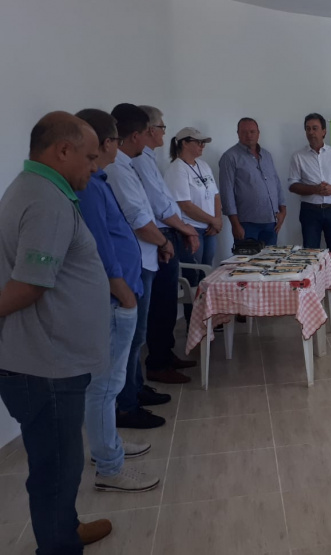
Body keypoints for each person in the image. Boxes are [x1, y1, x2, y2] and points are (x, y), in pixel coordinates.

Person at [0, 112, 111, 553]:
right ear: (61, 151)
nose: (94, 166)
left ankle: (66, 527)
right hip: (44, 367)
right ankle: (59, 545)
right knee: (56, 470)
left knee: (60, 466)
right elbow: (27, 285)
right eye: (88, 157)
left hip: (48, 362)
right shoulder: (46, 200)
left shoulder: (39, 189)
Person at [74, 109, 160, 494]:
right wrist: (123, 292)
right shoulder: (90, 186)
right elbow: (100, 246)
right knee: (106, 384)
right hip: (114, 296)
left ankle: (109, 446)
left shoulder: (100, 180)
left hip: (120, 293)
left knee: (110, 382)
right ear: (108, 143)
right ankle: (109, 466)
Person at [106, 103, 174, 429]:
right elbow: (139, 219)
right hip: (133, 263)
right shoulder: (118, 169)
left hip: (144, 257)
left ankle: (135, 389)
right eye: (153, 130)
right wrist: (164, 241)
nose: (155, 135)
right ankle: (126, 405)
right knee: (132, 337)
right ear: (135, 135)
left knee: (138, 334)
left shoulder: (129, 164)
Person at [133, 106, 199, 385]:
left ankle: (165, 354)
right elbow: (160, 205)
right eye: (161, 127)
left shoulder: (147, 158)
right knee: (160, 305)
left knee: (166, 302)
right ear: (149, 130)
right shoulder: (137, 161)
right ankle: (157, 363)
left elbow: (163, 201)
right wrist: (187, 229)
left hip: (165, 235)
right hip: (157, 239)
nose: (163, 132)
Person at [288, 113, 331, 306]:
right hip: (310, 211)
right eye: (308, 128)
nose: (311, 132)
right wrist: (314, 189)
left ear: (324, 131)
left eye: (315, 128)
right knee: (310, 254)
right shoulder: (298, 157)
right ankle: (311, 294)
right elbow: (292, 186)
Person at [165, 127, 222, 323]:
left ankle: (207, 319)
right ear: (184, 143)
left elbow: (215, 195)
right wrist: (212, 220)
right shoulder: (177, 169)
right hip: (191, 229)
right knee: (193, 278)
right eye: (198, 142)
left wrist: (217, 220)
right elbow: (185, 205)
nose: (202, 146)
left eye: (203, 142)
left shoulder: (203, 166)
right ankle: (194, 323)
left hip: (208, 228)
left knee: (207, 275)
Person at [219, 117, 287, 245]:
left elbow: (276, 183)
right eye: (244, 132)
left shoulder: (267, 155)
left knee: (270, 263)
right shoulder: (230, 157)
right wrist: (235, 225)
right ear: (238, 133)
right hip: (246, 224)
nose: (248, 135)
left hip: (271, 222)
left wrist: (283, 211)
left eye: (252, 131)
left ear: (258, 133)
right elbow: (226, 192)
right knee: (247, 264)